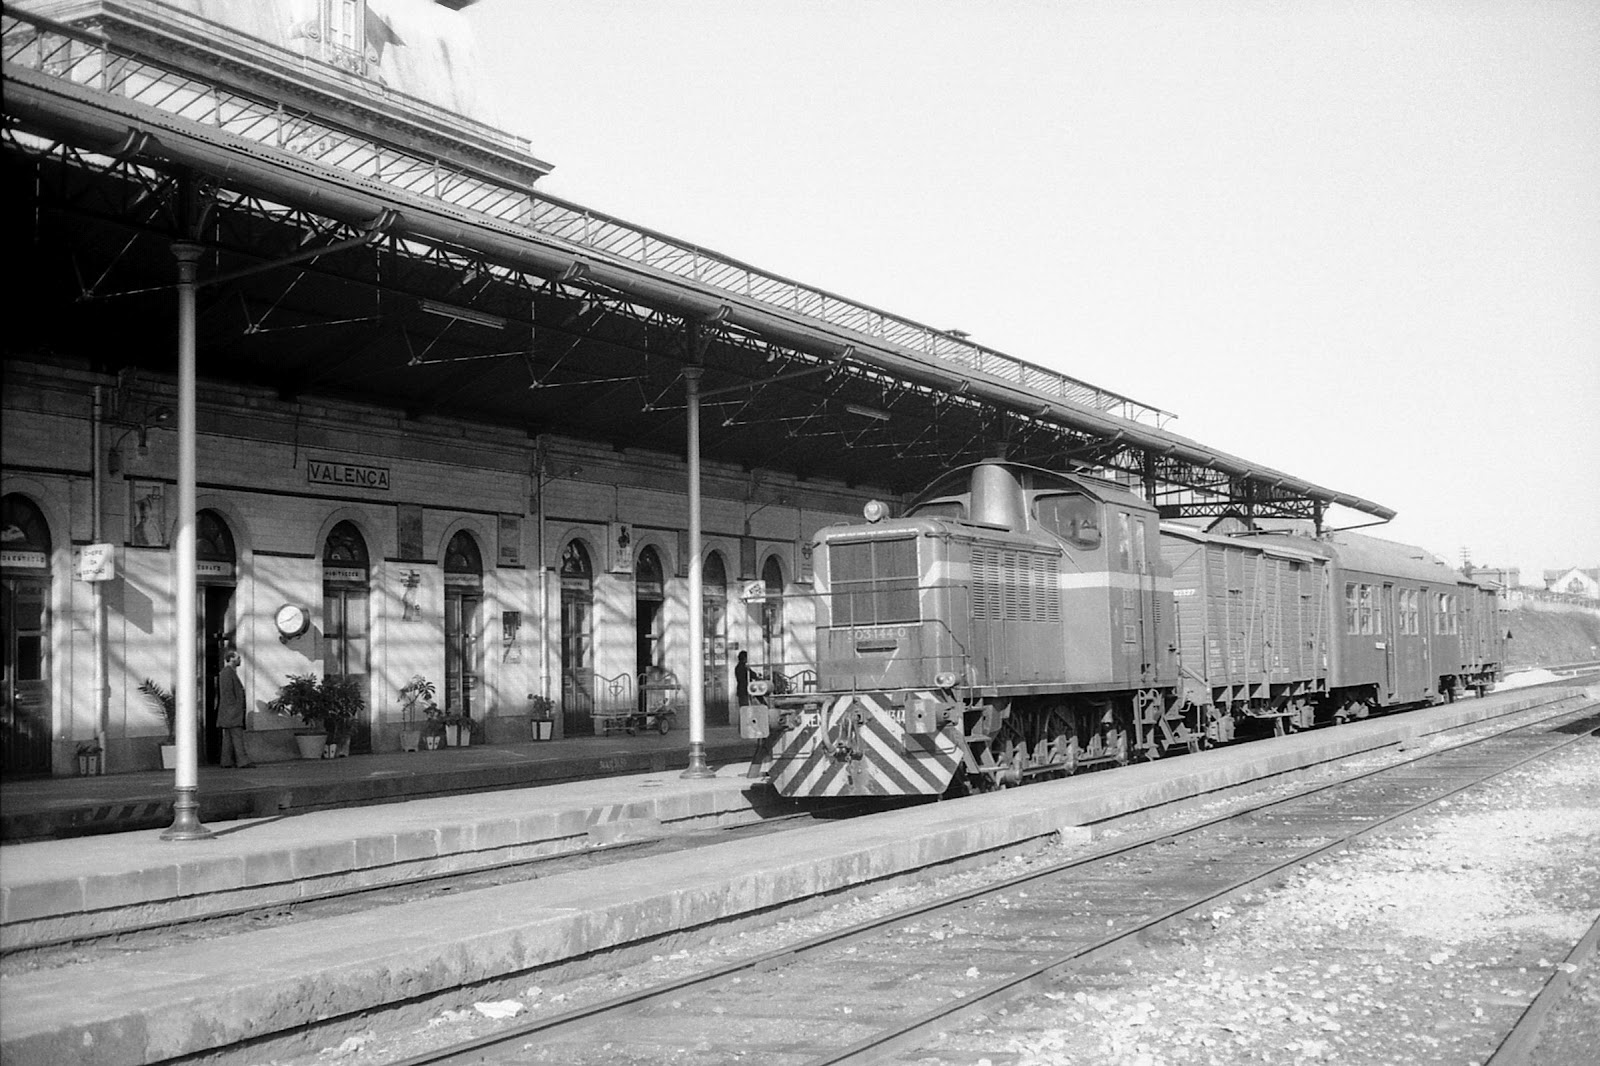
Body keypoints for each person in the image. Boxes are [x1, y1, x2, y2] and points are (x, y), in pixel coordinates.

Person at [217, 649, 254, 768]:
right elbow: (228, 693)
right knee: (237, 737)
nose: (240, 660)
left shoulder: (228, 672)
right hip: (232, 712)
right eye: (238, 658)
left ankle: (226, 761)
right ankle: (243, 761)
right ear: (232, 659)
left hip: (229, 712)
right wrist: (235, 709)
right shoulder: (227, 673)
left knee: (228, 737)